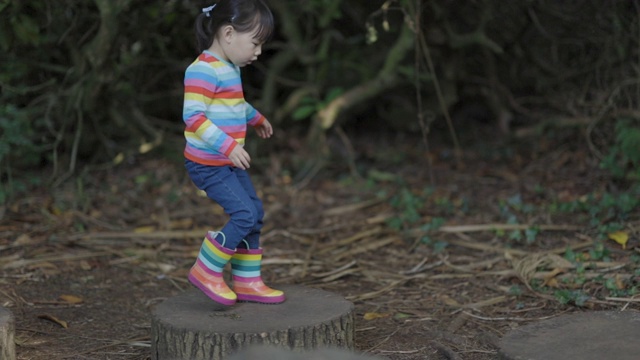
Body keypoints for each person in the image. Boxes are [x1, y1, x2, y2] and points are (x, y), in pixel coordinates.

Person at [182, 0, 284, 306]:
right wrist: (229, 145)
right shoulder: (201, 70)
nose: (258, 52)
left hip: (226, 161)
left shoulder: (229, 68)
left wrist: (256, 118)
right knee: (244, 213)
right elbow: (194, 117)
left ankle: (247, 280)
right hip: (207, 164)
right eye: (255, 43)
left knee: (255, 213)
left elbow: (233, 104)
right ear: (228, 34)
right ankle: (207, 268)